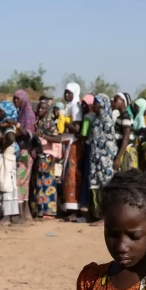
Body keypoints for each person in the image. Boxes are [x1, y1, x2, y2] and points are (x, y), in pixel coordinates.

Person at [88, 94, 118, 224]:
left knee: (107, 186)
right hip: (95, 157)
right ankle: (99, 215)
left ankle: (108, 216)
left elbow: (110, 142)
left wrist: (109, 159)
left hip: (106, 159)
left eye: (96, 103)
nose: (93, 105)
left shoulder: (107, 121)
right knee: (97, 186)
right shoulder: (95, 120)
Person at [31, 101, 62, 219]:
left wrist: (44, 136)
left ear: (47, 110)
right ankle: (40, 210)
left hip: (48, 158)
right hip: (39, 157)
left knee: (47, 185)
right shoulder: (37, 122)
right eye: (39, 108)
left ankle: (49, 212)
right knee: (39, 186)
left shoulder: (49, 123)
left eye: (43, 109)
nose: (40, 111)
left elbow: (58, 139)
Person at [62, 83, 85, 220]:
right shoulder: (68, 106)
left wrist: (65, 123)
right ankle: (67, 208)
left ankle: (74, 209)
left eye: (69, 93)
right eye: (65, 92)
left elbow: (77, 128)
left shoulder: (76, 106)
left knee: (73, 176)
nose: (66, 95)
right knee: (66, 176)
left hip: (74, 144)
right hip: (66, 142)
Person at [0, 126, 21, 226]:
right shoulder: (6, 125)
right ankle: (13, 216)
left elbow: (11, 138)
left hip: (7, 161)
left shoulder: (7, 126)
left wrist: (3, 148)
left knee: (5, 187)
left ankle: (7, 217)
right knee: (10, 188)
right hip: (9, 161)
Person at [13, 90, 36, 222]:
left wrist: (16, 126)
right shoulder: (20, 112)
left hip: (26, 151)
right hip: (22, 151)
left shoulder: (28, 114)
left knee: (20, 181)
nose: (16, 101)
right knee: (24, 183)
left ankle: (21, 214)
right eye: (14, 99)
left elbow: (28, 134)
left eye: (18, 99)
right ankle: (26, 213)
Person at [112, 92, 138, 172]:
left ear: (123, 102)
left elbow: (126, 138)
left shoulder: (126, 117)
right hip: (123, 151)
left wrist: (118, 158)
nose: (114, 102)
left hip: (127, 152)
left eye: (116, 100)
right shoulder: (120, 117)